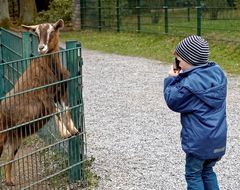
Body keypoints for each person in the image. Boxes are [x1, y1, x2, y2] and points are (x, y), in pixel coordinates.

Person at [163, 35, 227, 190]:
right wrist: (183, 74)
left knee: (193, 174)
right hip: (217, 139)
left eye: (178, 60)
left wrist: (172, 78)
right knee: (207, 171)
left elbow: (173, 100)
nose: (176, 63)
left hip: (198, 142)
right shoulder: (218, 74)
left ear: (188, 60)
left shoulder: (189, 84)